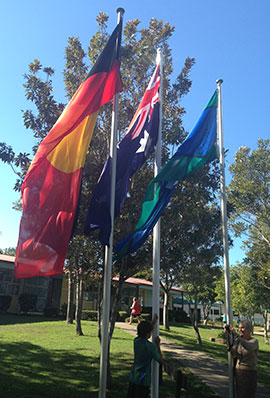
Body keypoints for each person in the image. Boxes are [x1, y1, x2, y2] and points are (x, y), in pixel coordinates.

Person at [127, 314, 162, 398]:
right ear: (148, 333)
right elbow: (160, 360)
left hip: (133, 377)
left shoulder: (136, 341)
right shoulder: (151, 347)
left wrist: (153, 323)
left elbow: (144, 332)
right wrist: (158, 345)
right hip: (143, 381)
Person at [225, 320, 259, 398]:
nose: (240, 330)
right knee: (240, 394)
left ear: (249, 329)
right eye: (239, 328)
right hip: (239, 372)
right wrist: (228, 337)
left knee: (249, 395)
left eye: (243, 328)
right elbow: (233, 353)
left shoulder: (254, 341)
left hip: (250, 373)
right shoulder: (238, 341)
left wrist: (237, 336)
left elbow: (249, 347)